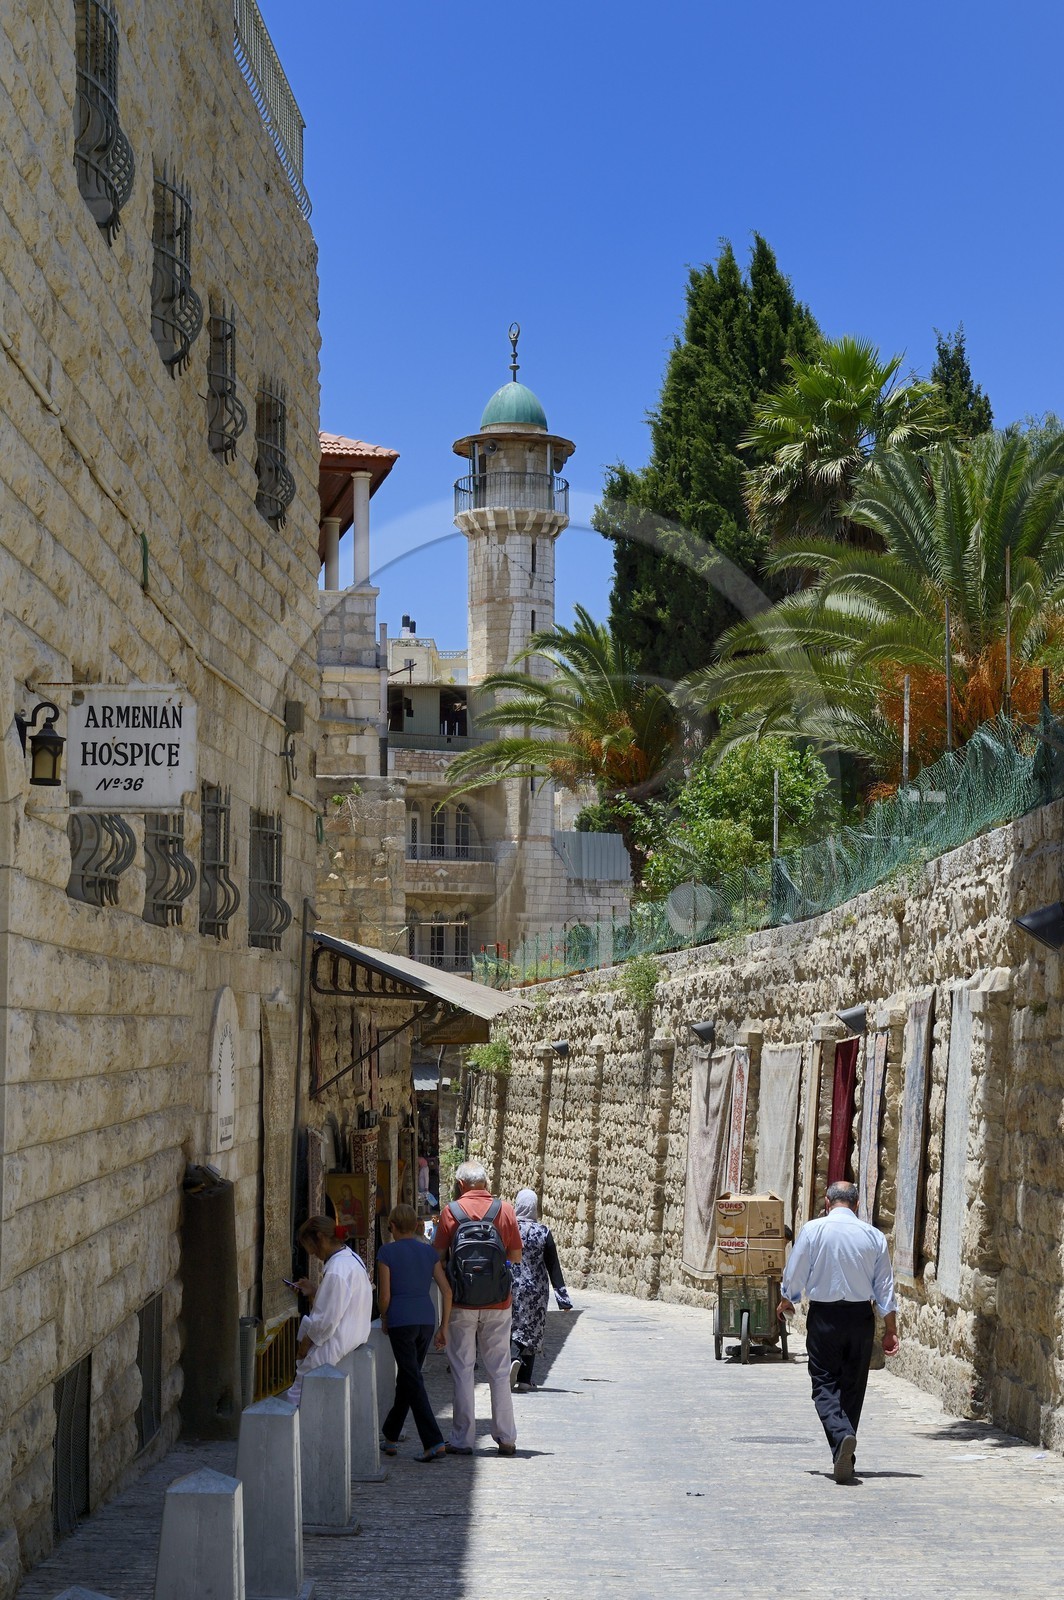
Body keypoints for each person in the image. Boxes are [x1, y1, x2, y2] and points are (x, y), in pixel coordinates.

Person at [777, 1179, 899, 1483]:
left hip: (825, 1316)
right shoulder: (874, 1236)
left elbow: (796, 1271)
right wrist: (890, 1329)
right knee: (853, 1386)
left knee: (823, 1382)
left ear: (827, 1202)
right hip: (860, 1318)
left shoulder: (813, 1230)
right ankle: (845, 1455)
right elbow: (885, 1287)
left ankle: (842, 1435)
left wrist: (787, 1299)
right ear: (856, 1205)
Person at [434, 1159, 522, 1456]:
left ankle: (462, 1439)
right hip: (499, 1302)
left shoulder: (451, 1212)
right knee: (499, 1370)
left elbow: (437, 1256)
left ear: (460, 1184)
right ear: (485, 1182)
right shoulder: (505, 1210)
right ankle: (506, 1437)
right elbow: (516, 1256)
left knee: (462, 1369)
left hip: (461, 1303)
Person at [377, 1203, 453, 1461]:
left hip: (401, 1321)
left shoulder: (386, 1252)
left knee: (412, 1379)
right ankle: (390, 1435)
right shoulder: (429, 1252)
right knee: (408, 1378)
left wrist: (384, 1316)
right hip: (425, 1320)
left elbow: (385, 1296)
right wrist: (444, 1327)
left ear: (393, 1226)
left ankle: (433, 1441)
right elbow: (447, 1291)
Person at [287, 1215, 372, 1405]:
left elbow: (326, 1321)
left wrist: (305, 1346)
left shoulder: (336, 1270)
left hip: (332, 1346)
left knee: (298, 1396)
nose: (313, 1254)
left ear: (321, 1238)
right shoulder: (351, 1259)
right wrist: (315, 1291)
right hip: (350, 1341)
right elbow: (339, 1303)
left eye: (313, 1248)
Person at [509, 1188, 573, 1391]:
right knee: (532, 1329)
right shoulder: (543, 1232)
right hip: (536, 1291)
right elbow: (553, 1265)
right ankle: (525, 1379)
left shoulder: (509, 1229)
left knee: (512, 1326)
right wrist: (563, 1299)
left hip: (511, 1287)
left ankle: (513, 1358)